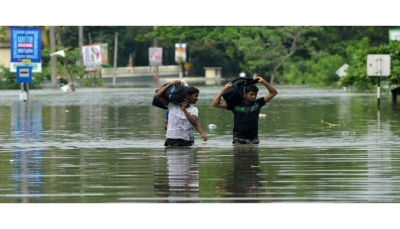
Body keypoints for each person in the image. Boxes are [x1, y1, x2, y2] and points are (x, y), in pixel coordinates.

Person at [211, 75, 278, 144]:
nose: (253, 97)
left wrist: (263, 82)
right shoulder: (235, 104)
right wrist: (223, 89)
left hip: (253, 138)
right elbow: (215, 104)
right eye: (251, 94)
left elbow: (274, 92)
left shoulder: (258, 103)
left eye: (255, 94)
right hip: (238, 137)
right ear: (244, 94)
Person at [155, 80, 208, 146]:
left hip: (185, 140)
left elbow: (194, 122)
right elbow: (157, 96)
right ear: (188, 96)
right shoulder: (172, 105)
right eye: (196, 96)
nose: (197, 98)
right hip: (170, 139)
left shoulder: (193, 109)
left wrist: (202, 134)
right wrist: (169, 84)